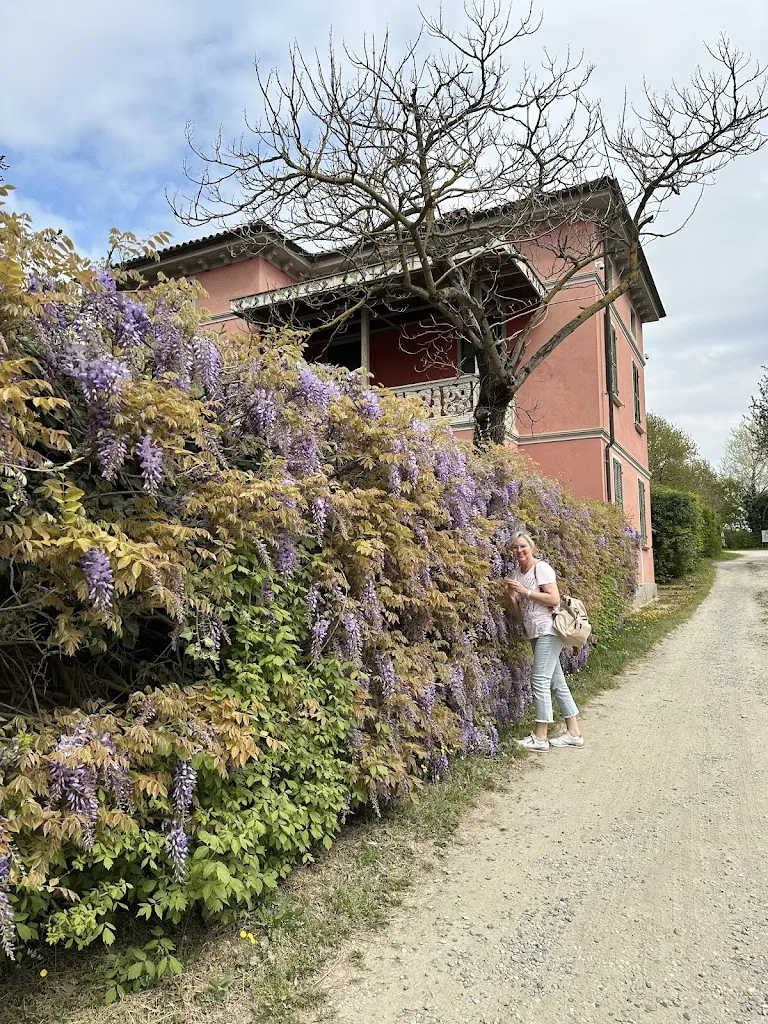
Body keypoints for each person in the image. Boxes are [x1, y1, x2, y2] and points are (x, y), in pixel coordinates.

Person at [504, 531, 584, 751]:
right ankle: (573, 733)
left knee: (539, 679)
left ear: (531, 547)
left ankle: (540, 737)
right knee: (557, 681)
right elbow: (520, 614)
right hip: (534, 631)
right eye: (515, 548)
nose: (519, 551)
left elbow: (554, 599)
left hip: (549, 629)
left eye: (522, 546)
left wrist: (526, 591)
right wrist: (513, 597)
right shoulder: (516, 573)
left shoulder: (542, 568)